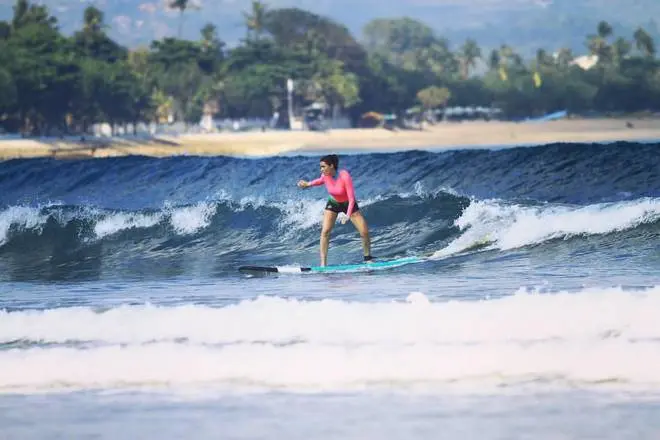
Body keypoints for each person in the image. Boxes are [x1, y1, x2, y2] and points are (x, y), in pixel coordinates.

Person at [297, 154, 372, 267]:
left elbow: (352, 198)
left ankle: (367, 258)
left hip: (348, 203)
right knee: (325, 232)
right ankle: (323, 264)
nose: (321, 169)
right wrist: (308, 184)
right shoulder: (325, 175)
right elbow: (320, 181)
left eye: (323, 166)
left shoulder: (344, 176)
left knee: (364, 232)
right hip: (333, 203)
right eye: (320, 167)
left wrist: (347, 215)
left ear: (331, 166)